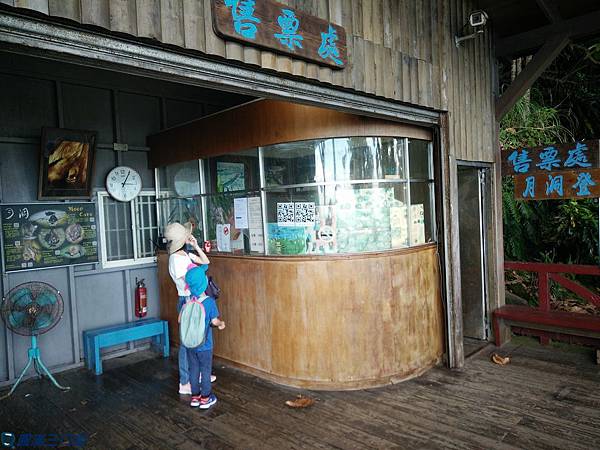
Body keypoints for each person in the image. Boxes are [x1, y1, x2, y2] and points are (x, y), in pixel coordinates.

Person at [164, 221, 210, 395]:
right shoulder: (176, 260)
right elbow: (190, 282)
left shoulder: (185, 255)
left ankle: (196, 375)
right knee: (187, 343)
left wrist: (196, 246)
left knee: (197, 339)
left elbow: (206, 261)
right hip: (187, 300)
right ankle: (185, 381)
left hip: (193, 299)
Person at [184, 265, 225, 409]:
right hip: (205, 345)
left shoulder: (188, 300)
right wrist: (221, 324)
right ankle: (206, 398)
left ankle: (195, 397)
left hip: (190, 344)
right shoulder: (209, 302)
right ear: (204, 283)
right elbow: (214, 321)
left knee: (194, 370)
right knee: (205, 371)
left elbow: (180, 319)